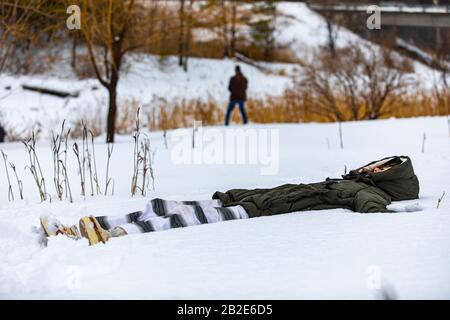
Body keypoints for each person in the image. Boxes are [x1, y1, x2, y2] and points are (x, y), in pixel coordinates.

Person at [41, 156, 420, 246]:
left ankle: (111, 234)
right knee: (167, 206)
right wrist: (236, 192)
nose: (374, 166)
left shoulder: (368, 193)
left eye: (384, 168)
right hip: (252, 201)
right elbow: (284, 189)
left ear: (392, 180)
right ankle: (82, 228)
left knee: (181, 221)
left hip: (255, 214)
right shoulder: (347, 181)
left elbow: (373, 210)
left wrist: (402, 211)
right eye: (379, 162)